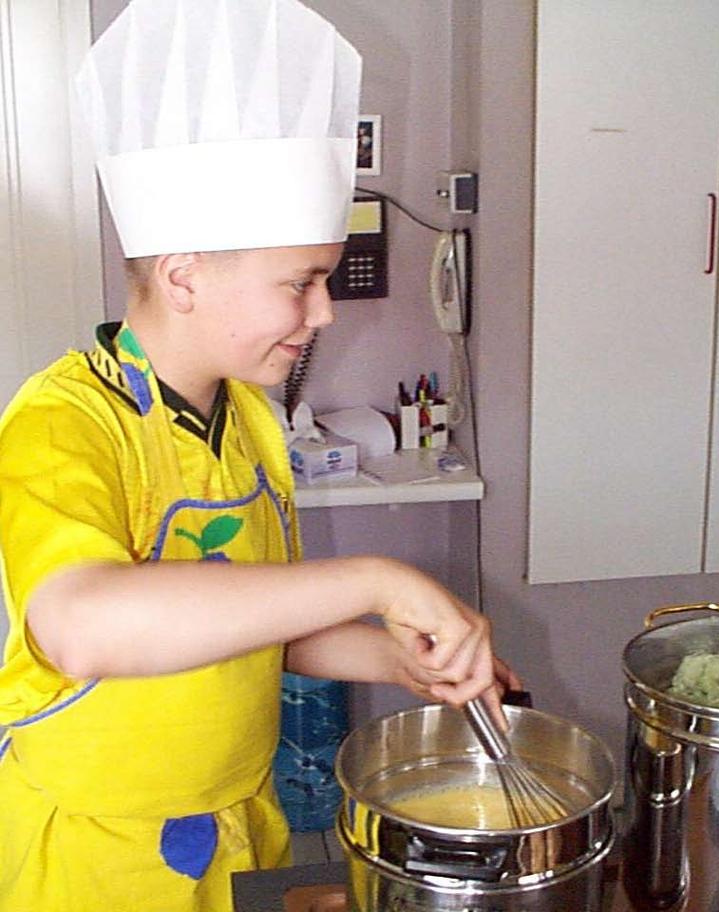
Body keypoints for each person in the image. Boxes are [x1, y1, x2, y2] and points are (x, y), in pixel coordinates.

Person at [0, 1, 513, 910]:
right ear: (185, 274)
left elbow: (250, 628)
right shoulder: (63, 420)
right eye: (302, 282)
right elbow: (83, 626)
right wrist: (376, 580)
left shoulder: (249, 420)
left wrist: (394, 659)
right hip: (94, 860)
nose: (324, 313)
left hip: (239, 824)